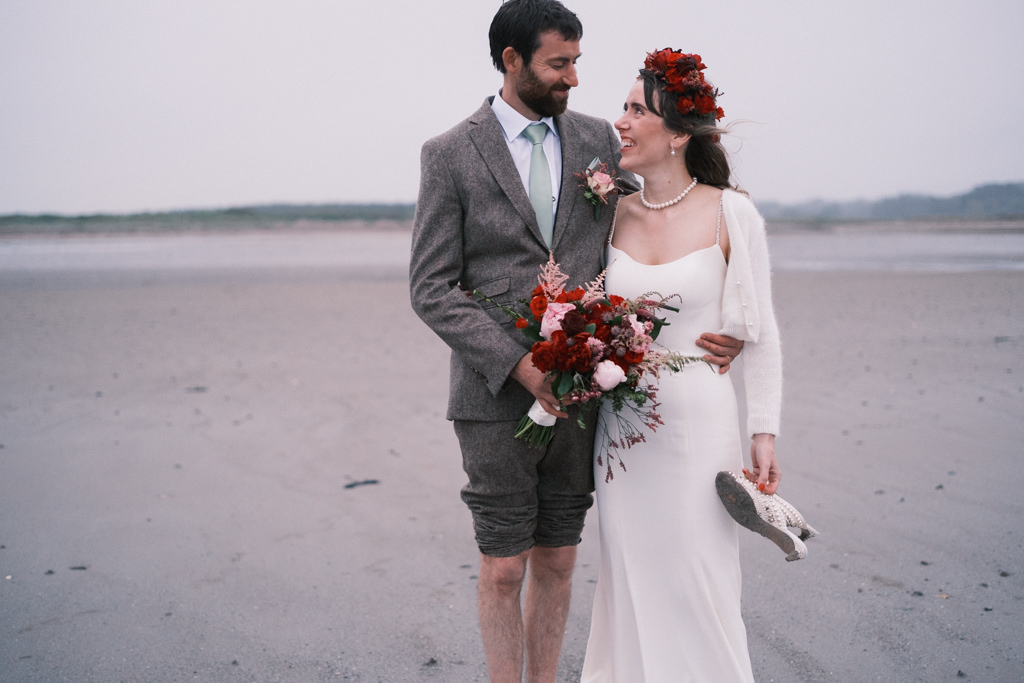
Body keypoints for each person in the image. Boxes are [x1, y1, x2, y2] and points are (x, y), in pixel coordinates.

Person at [409, 3, 743, 679]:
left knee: (560, 557)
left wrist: (719, 318)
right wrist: (520, 365)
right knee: (505, 564)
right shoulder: (448, 154)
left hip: (589, 389)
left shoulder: (599, 141)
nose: (574, 78)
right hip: (491, 395)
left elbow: (665, 215)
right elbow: (431, 287)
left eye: (576, 62)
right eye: (559, 64)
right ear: (512, 60)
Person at [580, 50, 782, 682]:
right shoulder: (611, 214)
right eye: (623, 108)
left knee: (699, 578)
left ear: (676, 134)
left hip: (700, 423)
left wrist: (764, 432)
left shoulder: (731, 212)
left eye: (636, 110)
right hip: (624, 430)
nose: (621, 121)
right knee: (630, 576)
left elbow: (762, 332)